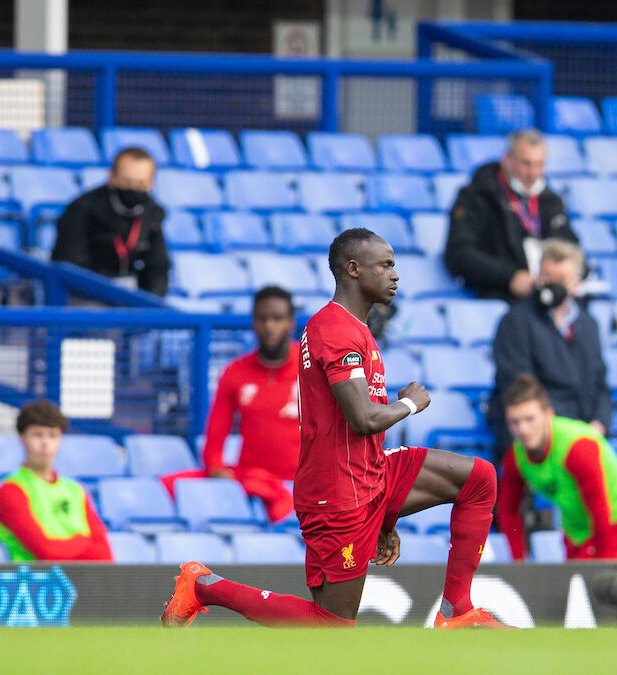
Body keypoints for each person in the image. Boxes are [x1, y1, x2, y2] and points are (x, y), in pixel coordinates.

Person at [161, 228, 509, 629]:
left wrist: (386, 517)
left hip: (372, 474)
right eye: (387, 265)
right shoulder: (334, 330)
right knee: (332, 624)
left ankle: (458, 612)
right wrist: (410, 403)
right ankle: (204, 586)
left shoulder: (357, 329)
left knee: (478, 478)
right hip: (337, 493)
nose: (396, 275)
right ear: (354, 269)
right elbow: (363, 419)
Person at [160, 286, 300, 523]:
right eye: (262, 319)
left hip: (302, 482)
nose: (269, 327)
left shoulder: (315, 369)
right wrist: (216, 471)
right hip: (250, 480)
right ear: (253, 323)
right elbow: (214, 438)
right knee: (168, 486)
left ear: (290, 323)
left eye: (277, 319)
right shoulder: (235, 372)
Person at [488, 239, 609, 462]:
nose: (552, 286)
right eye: (547, 277)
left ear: (577, 283)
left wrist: (598, 425)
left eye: (561, 280)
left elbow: (599, 383)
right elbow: (520, 387)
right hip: (537, 433)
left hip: (581, 434)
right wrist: (570, 431)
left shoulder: (588, 324)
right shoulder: (515, 322)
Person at [445, 128, 577, 302]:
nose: (533, 173)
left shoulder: (550, 201)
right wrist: (509, 277)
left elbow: (570, 246)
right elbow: (459, 254)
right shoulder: (477, 196)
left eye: (539, 165)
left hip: (549, 298)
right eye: (526, 164)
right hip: (500, 297)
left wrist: (568, 275)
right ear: (507, 160)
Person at [498, 374, 617, 561]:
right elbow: (508, 510)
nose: (523, 430)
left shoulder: (578, 448)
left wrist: (604, 567)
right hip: (576, 531)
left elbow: (601, 510)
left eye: (530, 419)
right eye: (515, 422)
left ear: (548, 415)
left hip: (610, 524)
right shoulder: (516, 455)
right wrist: (519, 562)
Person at [0, 400, 113, 562]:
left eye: (52, 435)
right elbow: (47, 552)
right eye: (37, 435)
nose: (45, 443)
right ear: (22, 438)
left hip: (82, 582)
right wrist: (84, 540)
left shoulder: (75, 490)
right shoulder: (10, 491)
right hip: (35, 583)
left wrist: (67, 547)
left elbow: (104, 553)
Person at [51, 147, 170, 296]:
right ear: (111, 177)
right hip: (88, 296)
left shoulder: (152, 213)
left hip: (131, 298)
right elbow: (70, 264)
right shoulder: (82, 209)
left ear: (151, 183)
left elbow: (158, 267)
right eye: (127, 182)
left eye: (141, 185)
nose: (133, 189)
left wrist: (152, 301)